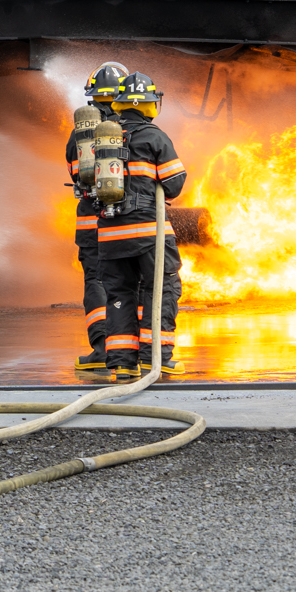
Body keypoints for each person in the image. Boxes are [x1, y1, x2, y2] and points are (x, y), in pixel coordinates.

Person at [96, 72, 187, 378]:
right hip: (148, 231)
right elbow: (175, 184)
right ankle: (155, 358)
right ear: (150, 103)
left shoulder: (102, 137)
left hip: (109, 233)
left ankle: (122, 363)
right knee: (161, 289)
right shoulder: (154, 136)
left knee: (119, 295)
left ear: (120, 104)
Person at [64, 62, 130, 370]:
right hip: (124, 223)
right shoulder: (132, 129)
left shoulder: (80, 136)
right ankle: (130, 352)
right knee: (129, 285)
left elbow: (75, 171)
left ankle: (102, 348)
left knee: (96, 281)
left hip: (91, 223)